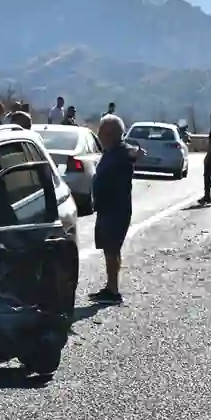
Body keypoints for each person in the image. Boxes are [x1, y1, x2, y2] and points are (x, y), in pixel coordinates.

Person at [89, 114, 134, 305]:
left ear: (112, 134)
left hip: (116, 209)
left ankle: (113, 291)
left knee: (111, 249)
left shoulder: (120, 152)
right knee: (111, 249)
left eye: (102, 132)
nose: (98, 135)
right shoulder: (113, 151)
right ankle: (110, 286)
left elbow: (129, 154)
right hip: (109, 209)